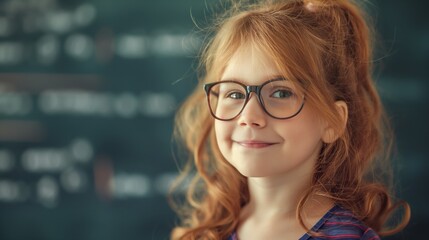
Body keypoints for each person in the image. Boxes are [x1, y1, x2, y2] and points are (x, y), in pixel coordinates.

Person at [170, 0, 410, 239]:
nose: (249, 117)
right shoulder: (213, 229)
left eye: (281, 93)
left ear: (333, 121)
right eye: (234, 93)